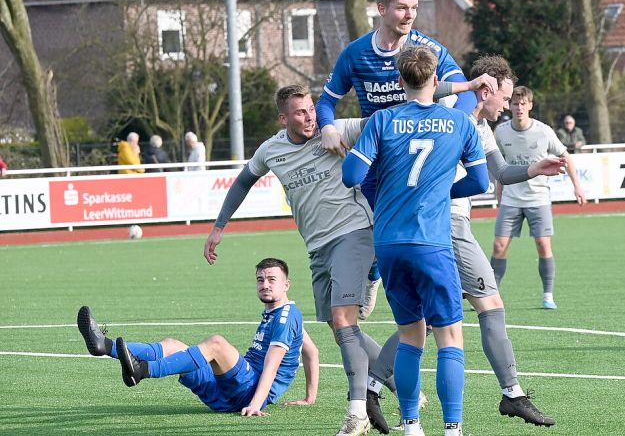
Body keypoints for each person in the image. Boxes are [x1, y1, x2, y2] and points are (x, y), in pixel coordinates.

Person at [367, 55, 561, 427]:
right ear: (484, 88)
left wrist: (535, 168)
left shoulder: (481, 128)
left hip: (426, 229)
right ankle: (512, 394)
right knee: (490, 305)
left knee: (418, 322)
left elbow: (500, 171)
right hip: (445, 226)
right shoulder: (446, 110)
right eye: (502, 96)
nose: (506, 105)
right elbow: (420, 87)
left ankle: (372, 387)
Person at [204, 85, 390, 435]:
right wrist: (218, 227)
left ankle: (357, 413)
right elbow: (243, 181)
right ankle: (401, 382)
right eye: (301, 112)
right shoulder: (271, 150)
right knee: (340, 328)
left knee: (342, 317)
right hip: (317, 247)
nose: (310, 117)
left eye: (312, 109)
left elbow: (380, 121)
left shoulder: (334, 129)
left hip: (355, 231)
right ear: (283, 117)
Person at [316, 0, 490, 322]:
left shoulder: (429, 50)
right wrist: (328, 128)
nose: (409, 15)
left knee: (422, 230)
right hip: (379, 158)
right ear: (382, 9)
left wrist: (451, 128)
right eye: (401, 8)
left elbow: (467, 92)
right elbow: (326, 101)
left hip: (419, 158)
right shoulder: (356, 53)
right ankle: (376, 275)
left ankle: (437, 296)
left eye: (413, 8)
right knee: (385, 230)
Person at [342, 46, 489, 436]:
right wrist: (440, 190)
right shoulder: (460, 124)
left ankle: (411, 425)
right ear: (436, 81)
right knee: (450, 337)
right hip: (432, 242)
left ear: (399, 81)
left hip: (390, 243)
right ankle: (453, 429)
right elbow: (481, 182)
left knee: (410, 335)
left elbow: (351, 175)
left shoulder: (382, 121)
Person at [76, 258, 318, 416]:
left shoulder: (286, 317)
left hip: (248, 391)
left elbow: (272, 367)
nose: (265, 284)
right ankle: (104, 345)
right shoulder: (284, 314)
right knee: (172, 345)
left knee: (216, 344)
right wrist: (310, 397)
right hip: (228, 393)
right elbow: (311, 352)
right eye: (260, 279)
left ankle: (143, 370)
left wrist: (256, 404)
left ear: (287, 285)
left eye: (271, 280)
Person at [492, 86, 586, 310]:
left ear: (530, 106)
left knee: (543, 246)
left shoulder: (544, 132)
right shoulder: (501, 131)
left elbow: (566, 157)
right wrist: (499, 192)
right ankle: (490, 295)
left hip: (538, 198)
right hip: (511, 199)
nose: (519, 108)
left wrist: (577, 187)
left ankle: (548, 295)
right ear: (510, 105)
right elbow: (498, 164)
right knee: (498, 246)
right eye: (515, 103)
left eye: (523, 103)